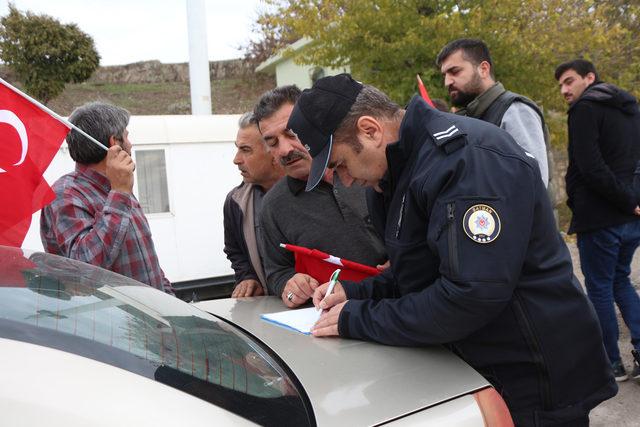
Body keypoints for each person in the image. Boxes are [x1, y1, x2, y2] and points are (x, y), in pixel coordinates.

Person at [287, 73, 616, 425]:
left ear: (370, 130)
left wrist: (358, 318)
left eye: (339, 164)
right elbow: (416, 273)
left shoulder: (467, 161)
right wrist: (352, 293)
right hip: (480, 366)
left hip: (532, 374)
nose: (344, 180)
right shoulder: (395, 174)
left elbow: (470, 294)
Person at [253, 85, 386, 308]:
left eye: (291, 133)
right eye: (272, 142)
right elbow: (276, 272)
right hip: (336, 322)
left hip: (409, 304)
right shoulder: (273, 206)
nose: (284, 150)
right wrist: (290, 284)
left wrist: (404, 260)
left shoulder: (372, 170)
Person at [555, 59, 640, 382]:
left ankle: (611, 363)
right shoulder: (630, 108)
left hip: (602, 216)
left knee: (601, 288)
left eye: (569, 81)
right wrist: (633, 201)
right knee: (620, 281)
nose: (564, 90)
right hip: (630, 217)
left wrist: (626, 200)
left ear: (589, 78)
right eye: (561, 84)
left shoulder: (585, 109)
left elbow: (589, 167)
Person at [40, 102, 173, 294]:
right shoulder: (65, 194)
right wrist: (119, 194)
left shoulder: (118, 187)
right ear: (114, 143)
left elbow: (146, 259)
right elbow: (85, 268)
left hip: (154, 317)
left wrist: (169, 298)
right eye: (126, 136)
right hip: (110, 322)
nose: (130, 143)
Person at [436, 38, 550, 187]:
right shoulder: (470, 117)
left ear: (483, 69)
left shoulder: (515, 110)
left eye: (455, 71)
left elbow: (534, 181)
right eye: (444, 75)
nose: (447, 82)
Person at [223, 112, 284, 298]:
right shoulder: (235, 202)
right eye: (237, 149)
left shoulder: (312, 192)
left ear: (274, 152)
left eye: (246, 150)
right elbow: (235, 252)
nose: (236, 159)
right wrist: (247, 277)